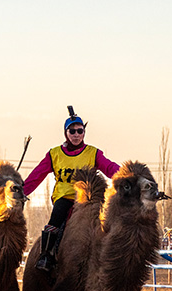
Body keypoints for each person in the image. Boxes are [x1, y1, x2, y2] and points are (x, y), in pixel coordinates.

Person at [23, 107, 120, 272]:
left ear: (84, 132)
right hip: (65, 198)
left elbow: (110, 167)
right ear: (66, 133)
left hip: (89, 200)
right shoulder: (55, 154)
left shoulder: (92, 153)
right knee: (57, 217)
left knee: (110, 221)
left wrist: (127, 176)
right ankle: (47, 255)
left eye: (80, 131)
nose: (76, 134)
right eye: (72, 131)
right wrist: (22, 191)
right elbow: (37, 175)